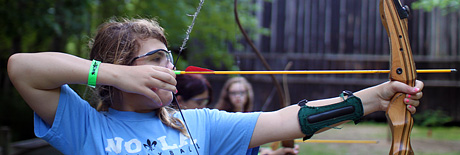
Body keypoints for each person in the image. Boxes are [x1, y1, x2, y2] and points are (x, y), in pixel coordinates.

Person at [7, 18, 424, 155]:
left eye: (169, 57)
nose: (169, 67)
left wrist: (374, 98)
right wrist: (114, 74)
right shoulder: (85, 128)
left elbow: (291, 119)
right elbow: (21, 67)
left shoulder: (197, 123)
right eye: (154, 60)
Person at [215, 76, 299, 154]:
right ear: (227, 95)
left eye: (241, 92)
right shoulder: (220, 118)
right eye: (233, 93)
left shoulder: (249, 118)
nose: (237, 96)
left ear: (247, 94)